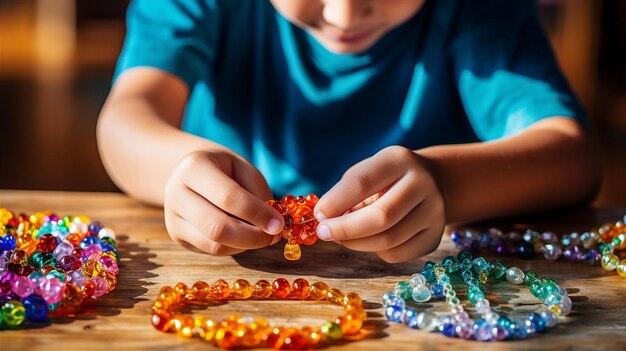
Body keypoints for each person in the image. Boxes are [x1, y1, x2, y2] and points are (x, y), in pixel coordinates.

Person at [97, 0, 601, 263]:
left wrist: (447, 184)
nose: (343, 14)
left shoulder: (478, 10)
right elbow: (127, 118)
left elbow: (571, 157)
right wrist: (178, 172)